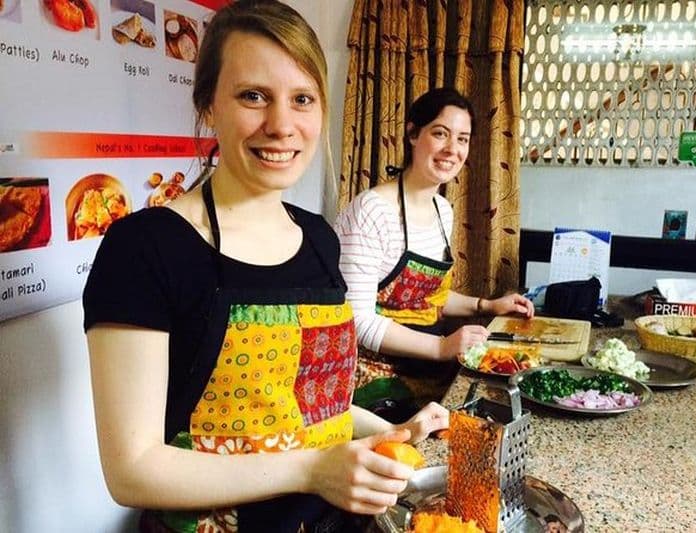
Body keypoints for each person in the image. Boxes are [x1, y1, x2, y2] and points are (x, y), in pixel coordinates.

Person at [82, 2, 447, 532]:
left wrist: (389, 431)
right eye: (253, 96)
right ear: (209, 105)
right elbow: (133, 470)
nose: (281, 125)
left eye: (302, 99)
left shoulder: (319, 238)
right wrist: (311, 471)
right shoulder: (145, 247)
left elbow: (315, 411)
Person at [335, 87, 534, 420]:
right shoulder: (372, 211)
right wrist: (442, 348)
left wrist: (485, 305)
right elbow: (356, 321)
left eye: (462, 139)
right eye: (440, 134)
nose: (452, 150)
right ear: (413, 133)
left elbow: (426, 298)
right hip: (369, 387)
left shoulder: (443, 210)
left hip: (426, 371)